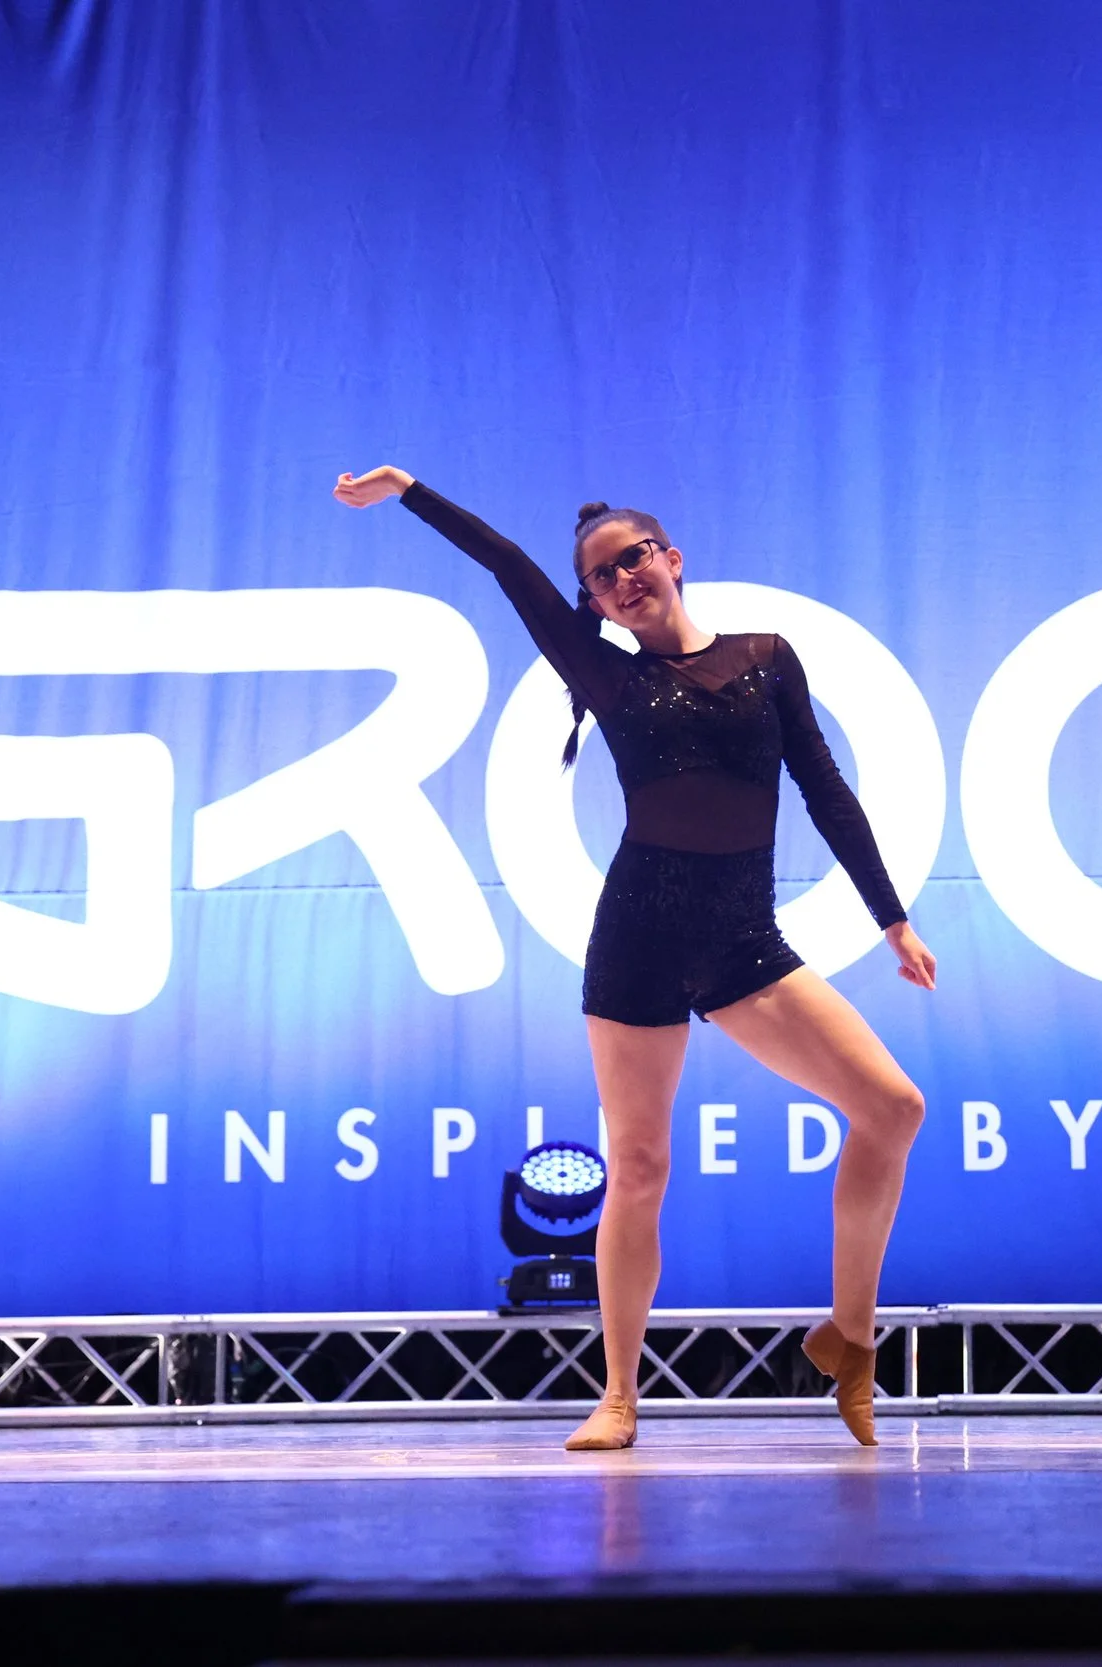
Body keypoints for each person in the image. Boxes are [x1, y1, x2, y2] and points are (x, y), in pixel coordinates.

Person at [334, 467, 937, 1449]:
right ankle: (619, 1393)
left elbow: (826, 788)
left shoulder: (766, 658)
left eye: (633, 558)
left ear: (671, 557)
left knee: (893, 1106)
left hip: (745, 942)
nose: (622, 579)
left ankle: (851, 1337)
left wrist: (892, 918)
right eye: (602, 575)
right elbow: (507, 567)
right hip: (638, 941)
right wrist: (410, 492)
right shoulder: (607, 674)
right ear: (597, 599)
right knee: (641, 1164)